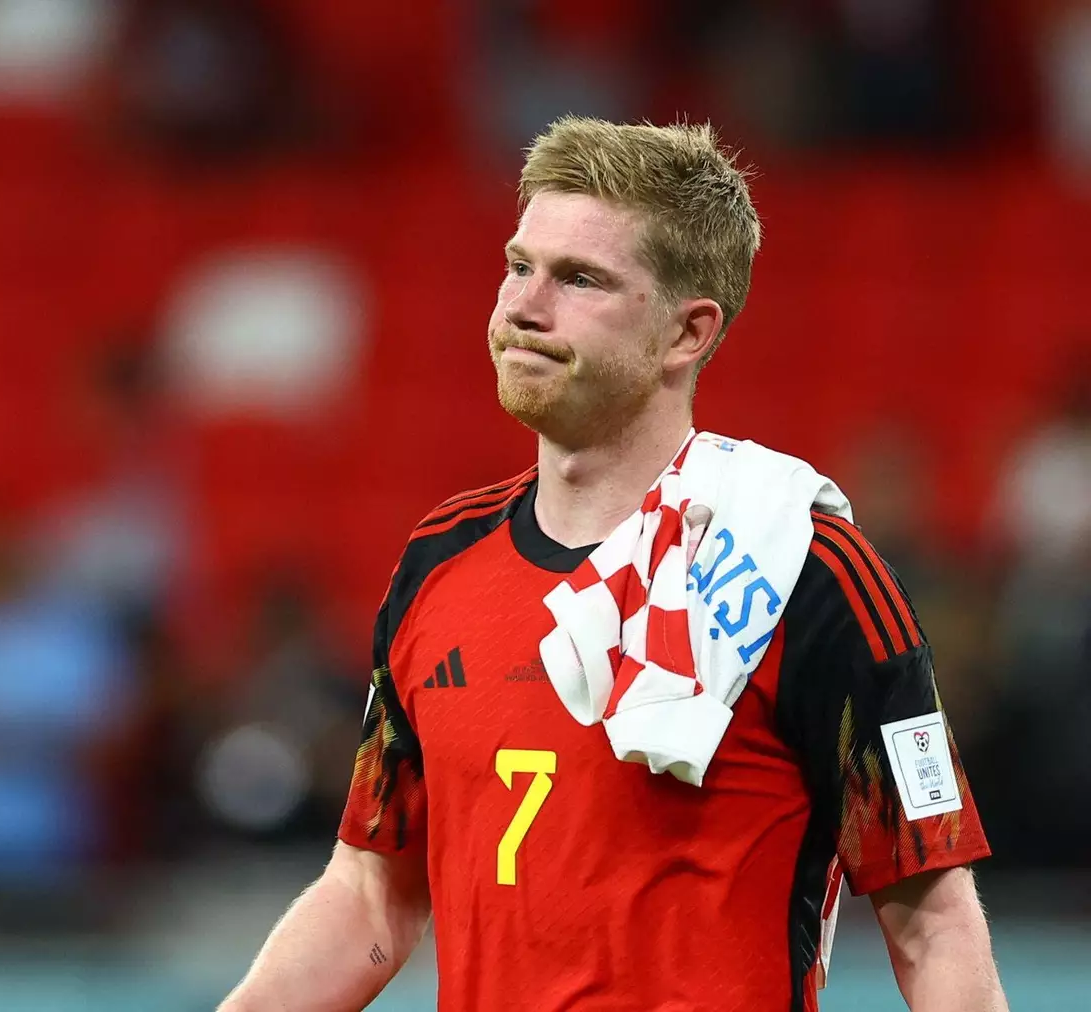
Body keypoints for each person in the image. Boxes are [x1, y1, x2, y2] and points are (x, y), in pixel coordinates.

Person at [219, 118, 1004, 1012]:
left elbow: (933, 920)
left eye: (580, 279)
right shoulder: (440, 559)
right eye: (520, 266)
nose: (524, 305)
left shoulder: (802, 568)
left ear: (686, 333)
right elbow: (371, 894)